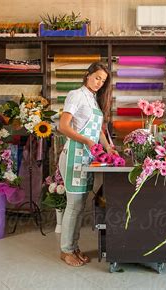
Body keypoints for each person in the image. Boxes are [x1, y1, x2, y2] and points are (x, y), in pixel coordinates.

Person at [58, 62, 117, 267]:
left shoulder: (93, 99)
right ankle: (66, 251)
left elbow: (98, 130)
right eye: (97, 78)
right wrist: (87, 141)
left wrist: (108, 147)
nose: (99, 83)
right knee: (73, 205)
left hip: (86, 159)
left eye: (103, 80)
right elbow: (63, 126)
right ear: (87, 75)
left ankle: (73, 247)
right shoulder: (76, 95)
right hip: (74, 156)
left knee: (80, 205)